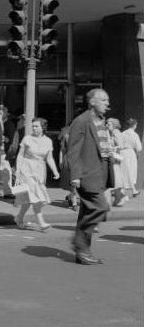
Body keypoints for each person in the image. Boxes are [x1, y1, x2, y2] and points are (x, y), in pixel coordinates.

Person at [68, 89, 115, 265]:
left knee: (87, 211)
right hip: (88, 172)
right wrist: (75, 175)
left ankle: (83, 252)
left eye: (107, 100)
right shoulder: (81, 122)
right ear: (92, 102)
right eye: (103, 100)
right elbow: (73, 151)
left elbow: (102, 146)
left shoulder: (102, 121)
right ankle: (78, 242)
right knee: (100, 207)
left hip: (102, 170)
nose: (107, 104)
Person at [13, 118, 60, 230]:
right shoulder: (27, 139)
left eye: (36, 126)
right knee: (35, 196)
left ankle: (19, 217)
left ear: (43, 127)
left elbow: (49, 158)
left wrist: (55, 171)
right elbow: (20, 155)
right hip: (27, 169)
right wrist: (18, 169)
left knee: (30, 197)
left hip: (40, 170)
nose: (33, 128)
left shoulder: (48, 141)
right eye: (33, 126)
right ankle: (41, 221)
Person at [106, 118, 131, 207]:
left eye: (108, 124)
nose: (106, 125)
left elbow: (121, 146)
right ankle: (119, 199)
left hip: (116, 158)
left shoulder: (116, 132)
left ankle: (120, 198)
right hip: (114, 158)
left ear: (114, 125)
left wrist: (111, 149)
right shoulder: (111, 133)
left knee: (116, 178)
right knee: (116, 179)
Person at [58, 122, 78, 210]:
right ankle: (74, 203)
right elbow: (62, 150)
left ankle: (70, 197)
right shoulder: (66, 136)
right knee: (73, 182)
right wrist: (60, 161)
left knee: (77, 183)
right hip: (69, 160)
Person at [120, 118, 142, 197]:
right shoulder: (135, 135)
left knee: (124, 171)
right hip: (130, 153)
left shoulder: (122, 133)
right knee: (130, 171)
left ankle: (125, 190)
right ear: (134, 125)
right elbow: (139, 148)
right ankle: (132, 190)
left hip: (122, 152)